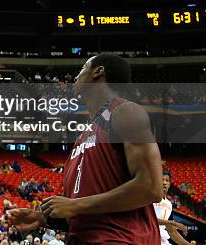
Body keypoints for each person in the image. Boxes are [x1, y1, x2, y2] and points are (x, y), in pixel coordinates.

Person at [8, 54, 162, 244]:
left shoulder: (125, 111)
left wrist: (75, 205)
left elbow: (150, 188)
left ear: (99, 71)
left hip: (121, 239)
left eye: (83, 68)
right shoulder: (84, 134)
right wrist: (43, 218)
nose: (76, 76)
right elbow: (85, 212)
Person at [154, 172, 191, 245]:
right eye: (161, 180)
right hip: (149, 237)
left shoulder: (169, 204)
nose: (164, 183)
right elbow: (150, 220)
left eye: (167, 180)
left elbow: (171, 231)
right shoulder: (150, 198)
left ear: (169, 184)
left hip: (162, 239)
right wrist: (173, 223)